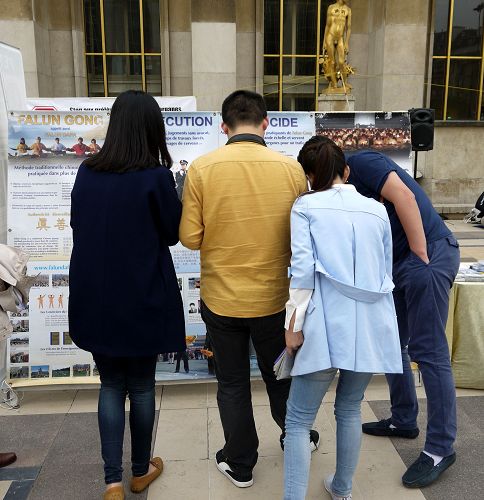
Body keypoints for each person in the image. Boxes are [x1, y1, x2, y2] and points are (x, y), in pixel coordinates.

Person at [179, 90, 319, 489]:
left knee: (233, 383)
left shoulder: (202, 169)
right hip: (276, 299)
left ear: (223, 127)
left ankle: (240, 463)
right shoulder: (291, 170)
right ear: (265, 123)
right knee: (281, 374)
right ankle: (298, 435)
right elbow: (300, 239)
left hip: (222, 300)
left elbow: (189, 238)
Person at [69, 90, 186, 500]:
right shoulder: (155, 177)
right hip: (142, 295)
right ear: (152, 129)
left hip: (96, 296)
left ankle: (112, 482)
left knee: (109, 385)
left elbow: (77, 225)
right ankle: (140, 473)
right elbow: (173, 234)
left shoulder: (87, 171)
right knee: (140, 386)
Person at [283, 137, 402, 500]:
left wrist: (293, 323)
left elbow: (302, 271)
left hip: (323, 321)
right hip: (369, 322)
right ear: (346, 171)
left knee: (299, 419)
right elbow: (384, 270)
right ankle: (342, 489)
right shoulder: (377, 209)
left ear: (308, 174)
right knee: (350, 406)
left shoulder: (304, 207)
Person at [346, 150, 460, 488]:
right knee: (392, 344)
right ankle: (403, 419)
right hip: (398, 267)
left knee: (429, 353)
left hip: (425, 255)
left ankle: (440, 448)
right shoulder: (339, 189)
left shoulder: (363, 161)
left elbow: (405, 195)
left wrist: (420, 255)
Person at [322, 0, 352, 90]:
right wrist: (324, 41)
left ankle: (344, 82)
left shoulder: (348, 10)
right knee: (332, 62)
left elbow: (349, 28)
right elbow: (327, 25)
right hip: (330, 36)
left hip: (340, 38)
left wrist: (346, 42)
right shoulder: (331, 7)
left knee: (341, 62)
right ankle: (334, 84)